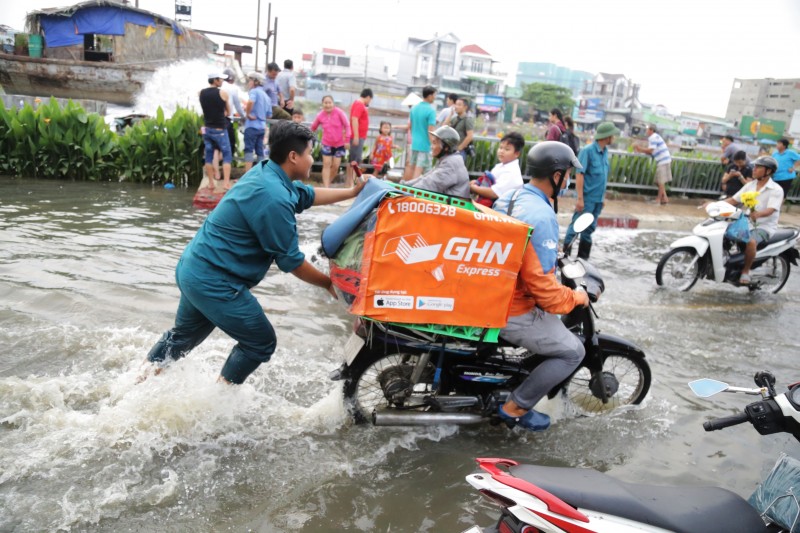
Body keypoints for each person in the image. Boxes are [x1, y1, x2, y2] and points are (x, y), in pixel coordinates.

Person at [142, 121, 368, 384]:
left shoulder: (266, 173)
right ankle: (219, 401)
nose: (312, 160)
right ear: (293, 157)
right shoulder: (274, 197)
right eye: (309, 154)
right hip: (214, 281)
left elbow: (307, 195)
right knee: (260, 342)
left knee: (181, 337)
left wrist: (352, 193)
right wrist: (328, 283)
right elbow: (292, 261)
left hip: (194, 268)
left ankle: (136, 384)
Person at [492, 141, 590, 431]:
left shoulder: (509, 198)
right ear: (556, 175)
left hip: (492, 293)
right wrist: (576, 297)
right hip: (513, 308)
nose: (569, 179)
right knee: (573, 351)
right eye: (568, 173)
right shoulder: (542, 215)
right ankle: (516, 407)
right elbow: (544, 292)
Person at [721, 156, 783, 285]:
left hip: (764, 226)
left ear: (768, 171)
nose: (753, 169)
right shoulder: (750, 185)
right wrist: (714, 204)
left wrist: (759, 213)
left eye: (758, 167)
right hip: (747, 222)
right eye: (754, 166)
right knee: (723, 233)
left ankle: (746, 271)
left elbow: (771, 209)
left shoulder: (776, 189)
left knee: (751, 241)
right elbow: (734, 200)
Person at [562, 121, 619, 259]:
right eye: (613, 135)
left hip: (597, 200)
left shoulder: (605, 152)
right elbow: (580, 175)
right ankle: (564, 257)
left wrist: (603, 197)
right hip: (587, 198)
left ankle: (583, 259)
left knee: (588, 230)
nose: (614, 138)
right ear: (607, 136)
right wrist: (580, 199)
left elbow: (603, 177)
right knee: (576, 227)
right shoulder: (587, 151)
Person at [400, 125, 470, 198]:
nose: (431, 147)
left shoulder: (451, 164)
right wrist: (403, 186)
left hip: (452, 206)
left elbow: (428, 185)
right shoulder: (447, 159)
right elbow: (425, 178)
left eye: (434, 143)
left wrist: (404, 192)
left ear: (446, 147)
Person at [469, 131, 524, 206]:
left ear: (516, 153)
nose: (501, 151)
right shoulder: (499, 166)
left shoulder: (512, 172)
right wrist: (477, 183)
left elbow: (494, 193)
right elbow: (490, 184)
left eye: (507, 149)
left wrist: (473, 188)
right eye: (500, 147)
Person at [199, 71, 233, 189]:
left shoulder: (201, 93)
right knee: (227, 155)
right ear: (215, 80)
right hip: (220, 130)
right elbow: (228, 112)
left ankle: (211, 183)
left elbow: (205, 110)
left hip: (207, 130)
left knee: (208, 157)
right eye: (221, 79)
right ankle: (226, 183)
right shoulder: (223, 93)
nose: (222, 81)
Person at [310, 95, 351, 187]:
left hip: (339, 144)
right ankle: (326, 187)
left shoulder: (340, 113)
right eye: (325, 103)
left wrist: (347, 140)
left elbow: (347, 125)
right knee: (326, 164)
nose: (328, 105)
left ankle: (327, 183)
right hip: (327, 143)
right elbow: (313, 127)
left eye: (329, 103)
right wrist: (306, 136)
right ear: (322, 104)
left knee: (336, 166)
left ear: (333, 103)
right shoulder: (320, 115)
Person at [403, 86, 438, 181]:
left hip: (414, 143)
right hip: (425, 145)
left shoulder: (414, 108)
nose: (435, 97)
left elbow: (410, 126)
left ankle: (404, 187)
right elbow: (430, 130)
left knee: (411, 166)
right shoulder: (431, 111)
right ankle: (413, 191)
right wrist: (433, 144)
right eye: (435, 95)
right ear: (430, 96)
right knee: (419, 169)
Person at [633, 124, 672, 205]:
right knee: (658, 181)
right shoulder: (656, 136)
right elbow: (652, 152)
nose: (646, 131)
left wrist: (639, 148)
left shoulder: (653, 137)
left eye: (647, 129)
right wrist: (640, 150)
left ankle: (658, 200)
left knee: (660, 181)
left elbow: (650, 151)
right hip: (664, 160)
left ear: (651, 130)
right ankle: (664, 198)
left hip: (663, 161)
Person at [242, 72, 269, 172]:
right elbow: (269, 114)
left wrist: (248, 113)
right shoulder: (266, 96)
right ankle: (260, 175)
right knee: (260, 152)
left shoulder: (254, 91)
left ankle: (246, 176)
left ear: (256, 82)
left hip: (252, 126)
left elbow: (250, 102)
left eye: (250, 80)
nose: (249, 82)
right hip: (262, 127)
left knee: (248, 150)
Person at [347, 88, 373, 187]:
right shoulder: (359, 104)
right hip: (358, 136)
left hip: (359, 136)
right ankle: (351, 182)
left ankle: (350, 182)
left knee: (354, 159)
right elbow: (354, 119)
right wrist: (356, 136)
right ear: (368, 97)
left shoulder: (358, 104)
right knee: (355, 161)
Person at [448, 97, 475, 161]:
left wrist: (459, 148)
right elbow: (444, 127)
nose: (456, 107)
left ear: (465, 107)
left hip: (460, 152)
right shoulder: (454, 118)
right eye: (456, 104)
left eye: (459, 105)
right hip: (451, 150)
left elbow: (470, 136)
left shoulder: (468, 119)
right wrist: (450, 115)